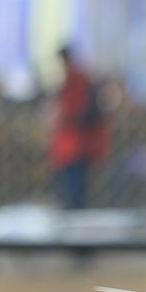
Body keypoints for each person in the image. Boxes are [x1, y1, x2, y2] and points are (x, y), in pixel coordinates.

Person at [49, 45, 109, 210]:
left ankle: (76, 213)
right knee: (70, 186)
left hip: (77, 143)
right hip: (69, 144)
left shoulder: (77, 80)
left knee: (75, 188)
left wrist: (66, 119)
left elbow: (85, 113)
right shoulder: (73, 80)